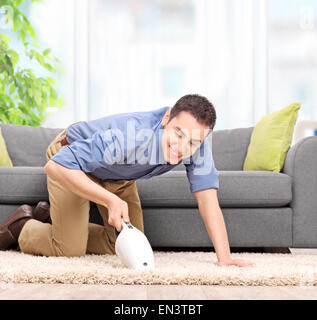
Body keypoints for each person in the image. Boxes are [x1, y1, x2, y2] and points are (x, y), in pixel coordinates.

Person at [0, 94, 255, 267]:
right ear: (166, 119)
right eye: (178, 134)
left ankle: (57, 221)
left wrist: (225, 258)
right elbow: (55, 166)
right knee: (69, 248)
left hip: (116, 173)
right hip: (73, 159)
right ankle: (24, 225)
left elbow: (208, 200)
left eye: (193, 142)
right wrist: (110, 200)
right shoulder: (130, 138)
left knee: (125, 245)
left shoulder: (195, 144)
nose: (182, 147)